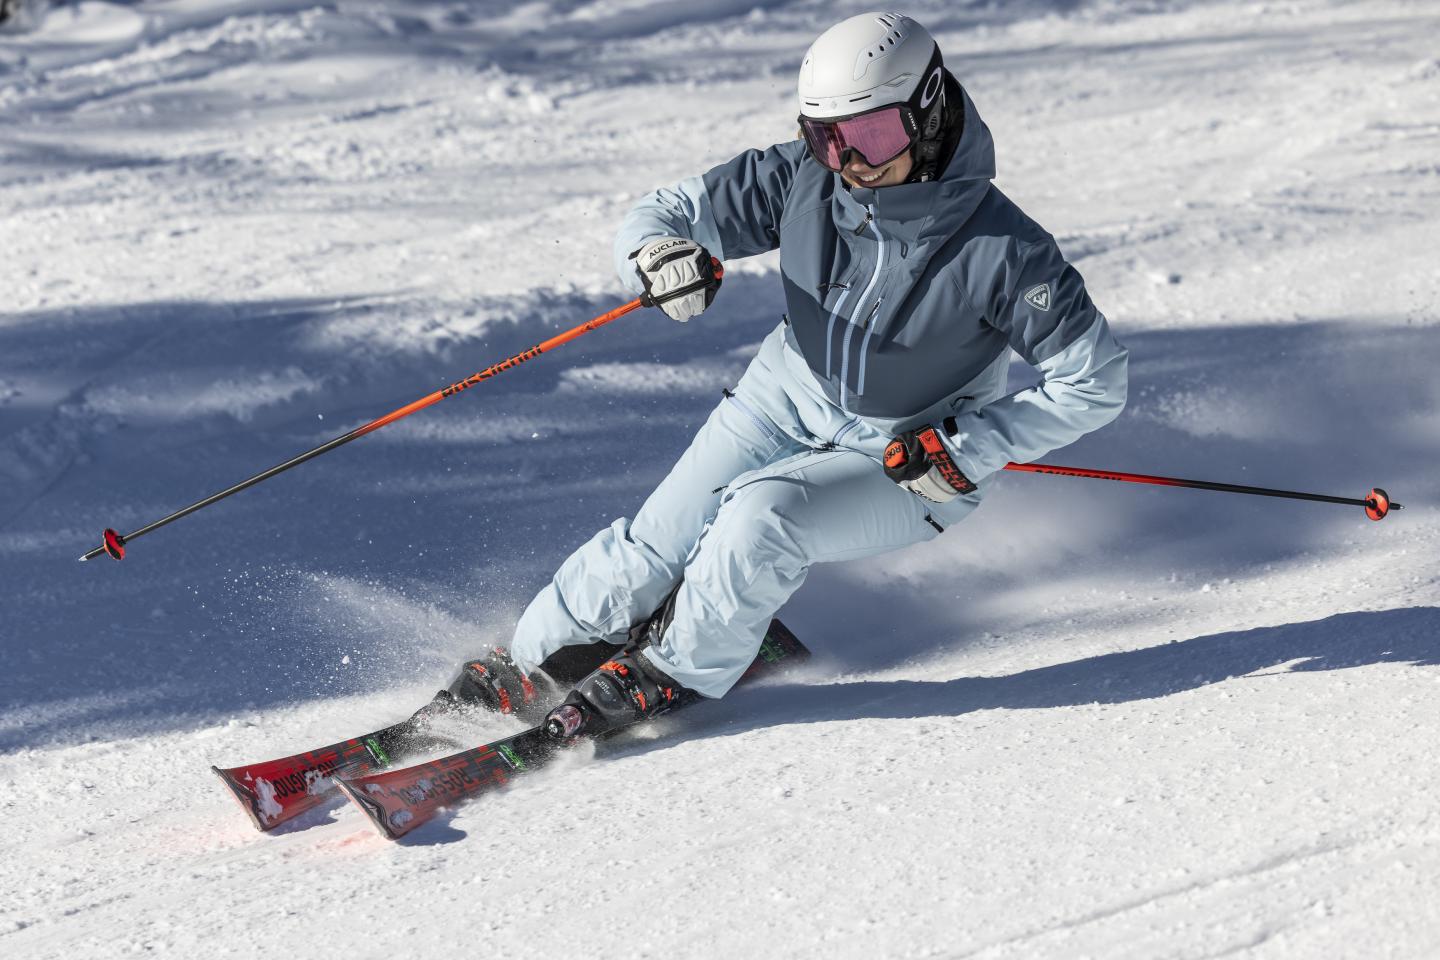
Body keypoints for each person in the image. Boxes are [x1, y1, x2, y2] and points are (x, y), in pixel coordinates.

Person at [443, 11, 1129, 735]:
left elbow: (1095, 382)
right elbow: (670, 210)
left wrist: (969, 447)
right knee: (656, 543)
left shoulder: (1005, 249)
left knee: (758, 520)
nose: (850, 163)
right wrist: (657, 255)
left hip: (908, 456)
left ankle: (673, 670)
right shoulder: (810, 179)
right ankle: (532, 662)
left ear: (927, 112)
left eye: (871, 136)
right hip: (784, 396)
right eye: (825, 137)